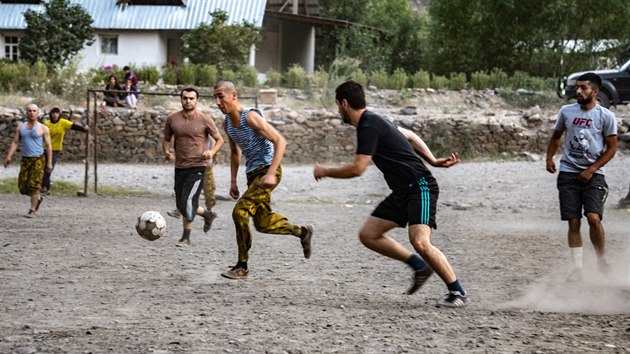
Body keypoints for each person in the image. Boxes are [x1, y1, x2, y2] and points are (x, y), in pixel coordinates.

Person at [313, 80, 469, 308]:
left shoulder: (369, 125)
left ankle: (458, 292)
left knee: (420, 241)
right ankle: (419, 266)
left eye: (337, 105)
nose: (338, 110)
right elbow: (410, 136)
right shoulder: (375, 121)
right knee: (368, 234)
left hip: (420, 186)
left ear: (344, 103)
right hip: (401, 191)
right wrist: (433, 160)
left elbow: (358, 168)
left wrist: (326, 171)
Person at [213, 80, 313, 279]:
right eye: (215, 97)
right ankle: (302, 232)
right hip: (253, 174)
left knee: (240, 212)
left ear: (234, 95)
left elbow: (280, 141)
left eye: (221, 96)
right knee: (263, 223)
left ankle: (242, 266)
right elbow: (234, 153)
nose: (217, 102)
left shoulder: (249, 117)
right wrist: (233, 181)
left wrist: (270, 173)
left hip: (267, 170)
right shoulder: (227, 124)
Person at [546, 72, 618, 282]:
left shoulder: (606, 116)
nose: (578, 91)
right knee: (573, 221)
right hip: (568, 173)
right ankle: (577, 269)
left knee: (593, 218)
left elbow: (612, 149)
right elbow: (556, 136)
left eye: (584, 88)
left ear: (595, 92)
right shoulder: (566, 111)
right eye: (577, 87)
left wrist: (592, 169)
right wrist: (549, 158)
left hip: (594, 175)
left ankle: (601, 260)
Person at [162, 87, 224, 247]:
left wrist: (211, 152)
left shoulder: (204, 119)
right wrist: (166, 151)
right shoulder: (172, 119)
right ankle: (207, 215)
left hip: (198, 166)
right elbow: (166, 138)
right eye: (185, 98)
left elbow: (219, 140)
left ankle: (186, 237)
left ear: (197, 100)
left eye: (191, 98)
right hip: (179, 166)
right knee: (182, 203)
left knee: (186, 202)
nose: (188, 101)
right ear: (181, 99)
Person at [4, 104, 53, 218]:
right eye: (29, 111)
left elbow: (49, 145)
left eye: (34, 111)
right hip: (25, 159)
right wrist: (9, 156)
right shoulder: (21, 127)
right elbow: (15, 142)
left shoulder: (43, 128)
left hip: (38, 159)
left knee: (34, 185)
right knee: (23, 186)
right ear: (26, 113)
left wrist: (49, 162)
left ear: (37, 113)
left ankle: (32, 210)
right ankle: (38, 199)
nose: (32, 113)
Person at [41, 107, 89, 195]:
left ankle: (46, 187)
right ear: (50, 114)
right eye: (53, 113)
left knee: (49, 167)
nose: (55, 115)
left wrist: (84, 129)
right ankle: (43, 186)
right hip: (44, 148)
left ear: (59, 114)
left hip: (55, 149)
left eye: (57, 113)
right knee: (42, 168)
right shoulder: (46, 123)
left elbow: (73, 126)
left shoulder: (63, 122)